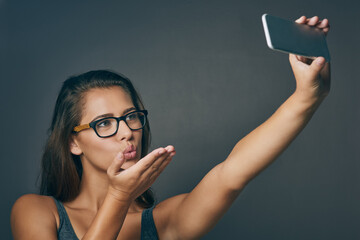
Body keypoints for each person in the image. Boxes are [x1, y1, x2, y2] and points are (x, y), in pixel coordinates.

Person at [11, 16, 330, 240]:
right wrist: (119, 197)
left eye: (131, 116)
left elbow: (232, 174)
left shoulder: (160, 222)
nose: (126, 132)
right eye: (104, 123)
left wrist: (307, 97)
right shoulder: (36, 212)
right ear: (73, 142)